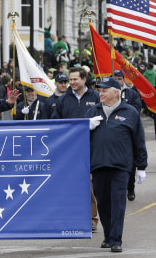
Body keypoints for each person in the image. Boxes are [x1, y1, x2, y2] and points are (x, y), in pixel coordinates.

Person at [86, 77, 147, 253]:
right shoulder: (92, 112)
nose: (101, 93)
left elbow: (139, 141)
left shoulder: (130, 112)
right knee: (103, 203)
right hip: (98, 165)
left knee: (118, 203)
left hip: (121, 166)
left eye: (104, 90)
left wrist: (141, 166)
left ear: (116, 92)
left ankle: (116, 239)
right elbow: (78, 137)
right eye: (100, 90)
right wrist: (84, 127)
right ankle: (108, 235)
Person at [51, 67, 101, 231]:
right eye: (70, 80)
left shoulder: (96, 97)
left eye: (74, 79)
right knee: (71, 184)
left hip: (91, 146)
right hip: (70, 148)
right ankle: (72, 217)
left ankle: (92, 219)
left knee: (90, 185)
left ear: (84, 80)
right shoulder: (63, 100)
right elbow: (55, 123)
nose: (71, 82)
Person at [113, 69, 142, 201]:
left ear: (124, 79)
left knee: (130, 162)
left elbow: (136, 110)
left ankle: (130, 188)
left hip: (128, 131)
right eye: (115, 78)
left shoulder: (132, 94)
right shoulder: (107, 94)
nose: (118, 81)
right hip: (113, 131)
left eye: (119, 78)